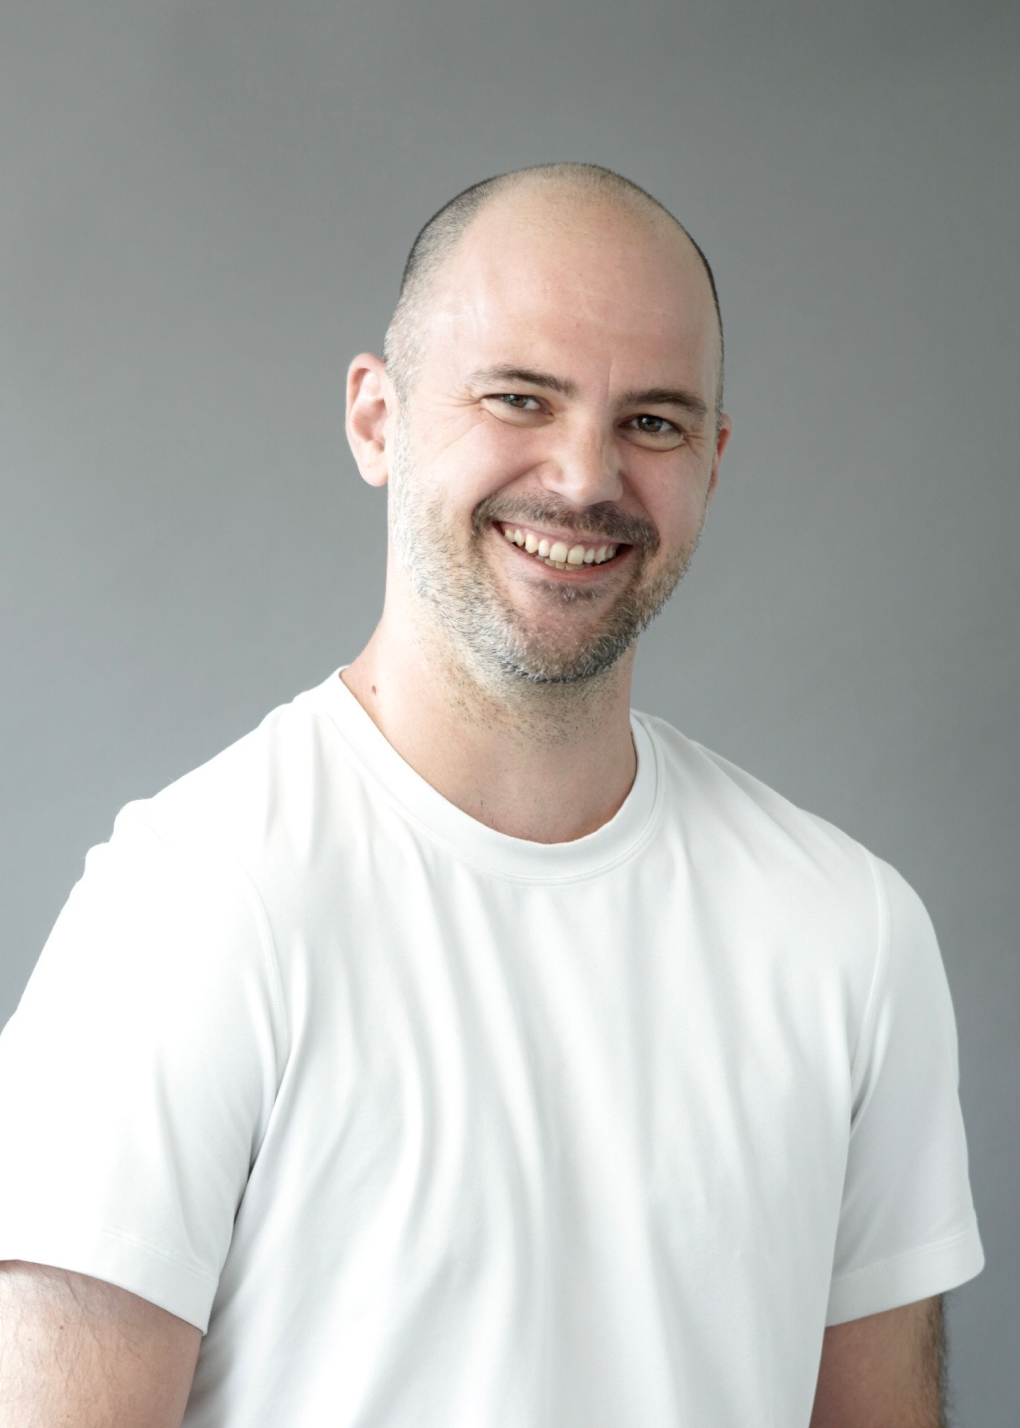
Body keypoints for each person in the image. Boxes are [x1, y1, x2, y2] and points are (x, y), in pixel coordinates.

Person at [0, 163, 983, 1427]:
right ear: (377, 419)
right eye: (520, 397)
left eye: (656, 422)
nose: (585, 479)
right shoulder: (190, 907)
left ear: (714, 464)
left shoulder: (851, 934)